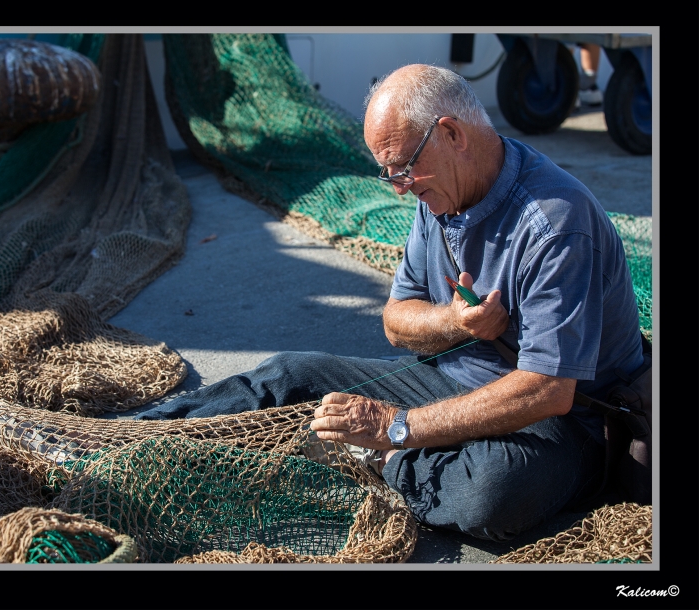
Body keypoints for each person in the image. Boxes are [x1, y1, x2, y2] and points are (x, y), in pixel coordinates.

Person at [140, 64, 644, 542]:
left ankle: (376, 457)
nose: (400, 189)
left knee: (493, 493)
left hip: (567, 420)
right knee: (288, 375)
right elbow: (396, 322)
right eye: (389, 175)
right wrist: (456, 321)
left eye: (403, 168)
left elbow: (548, 390)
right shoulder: (438, 193)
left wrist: (395, 428)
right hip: (455, 378)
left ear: (452, 134)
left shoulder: (555, 224)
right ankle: (128, 441)